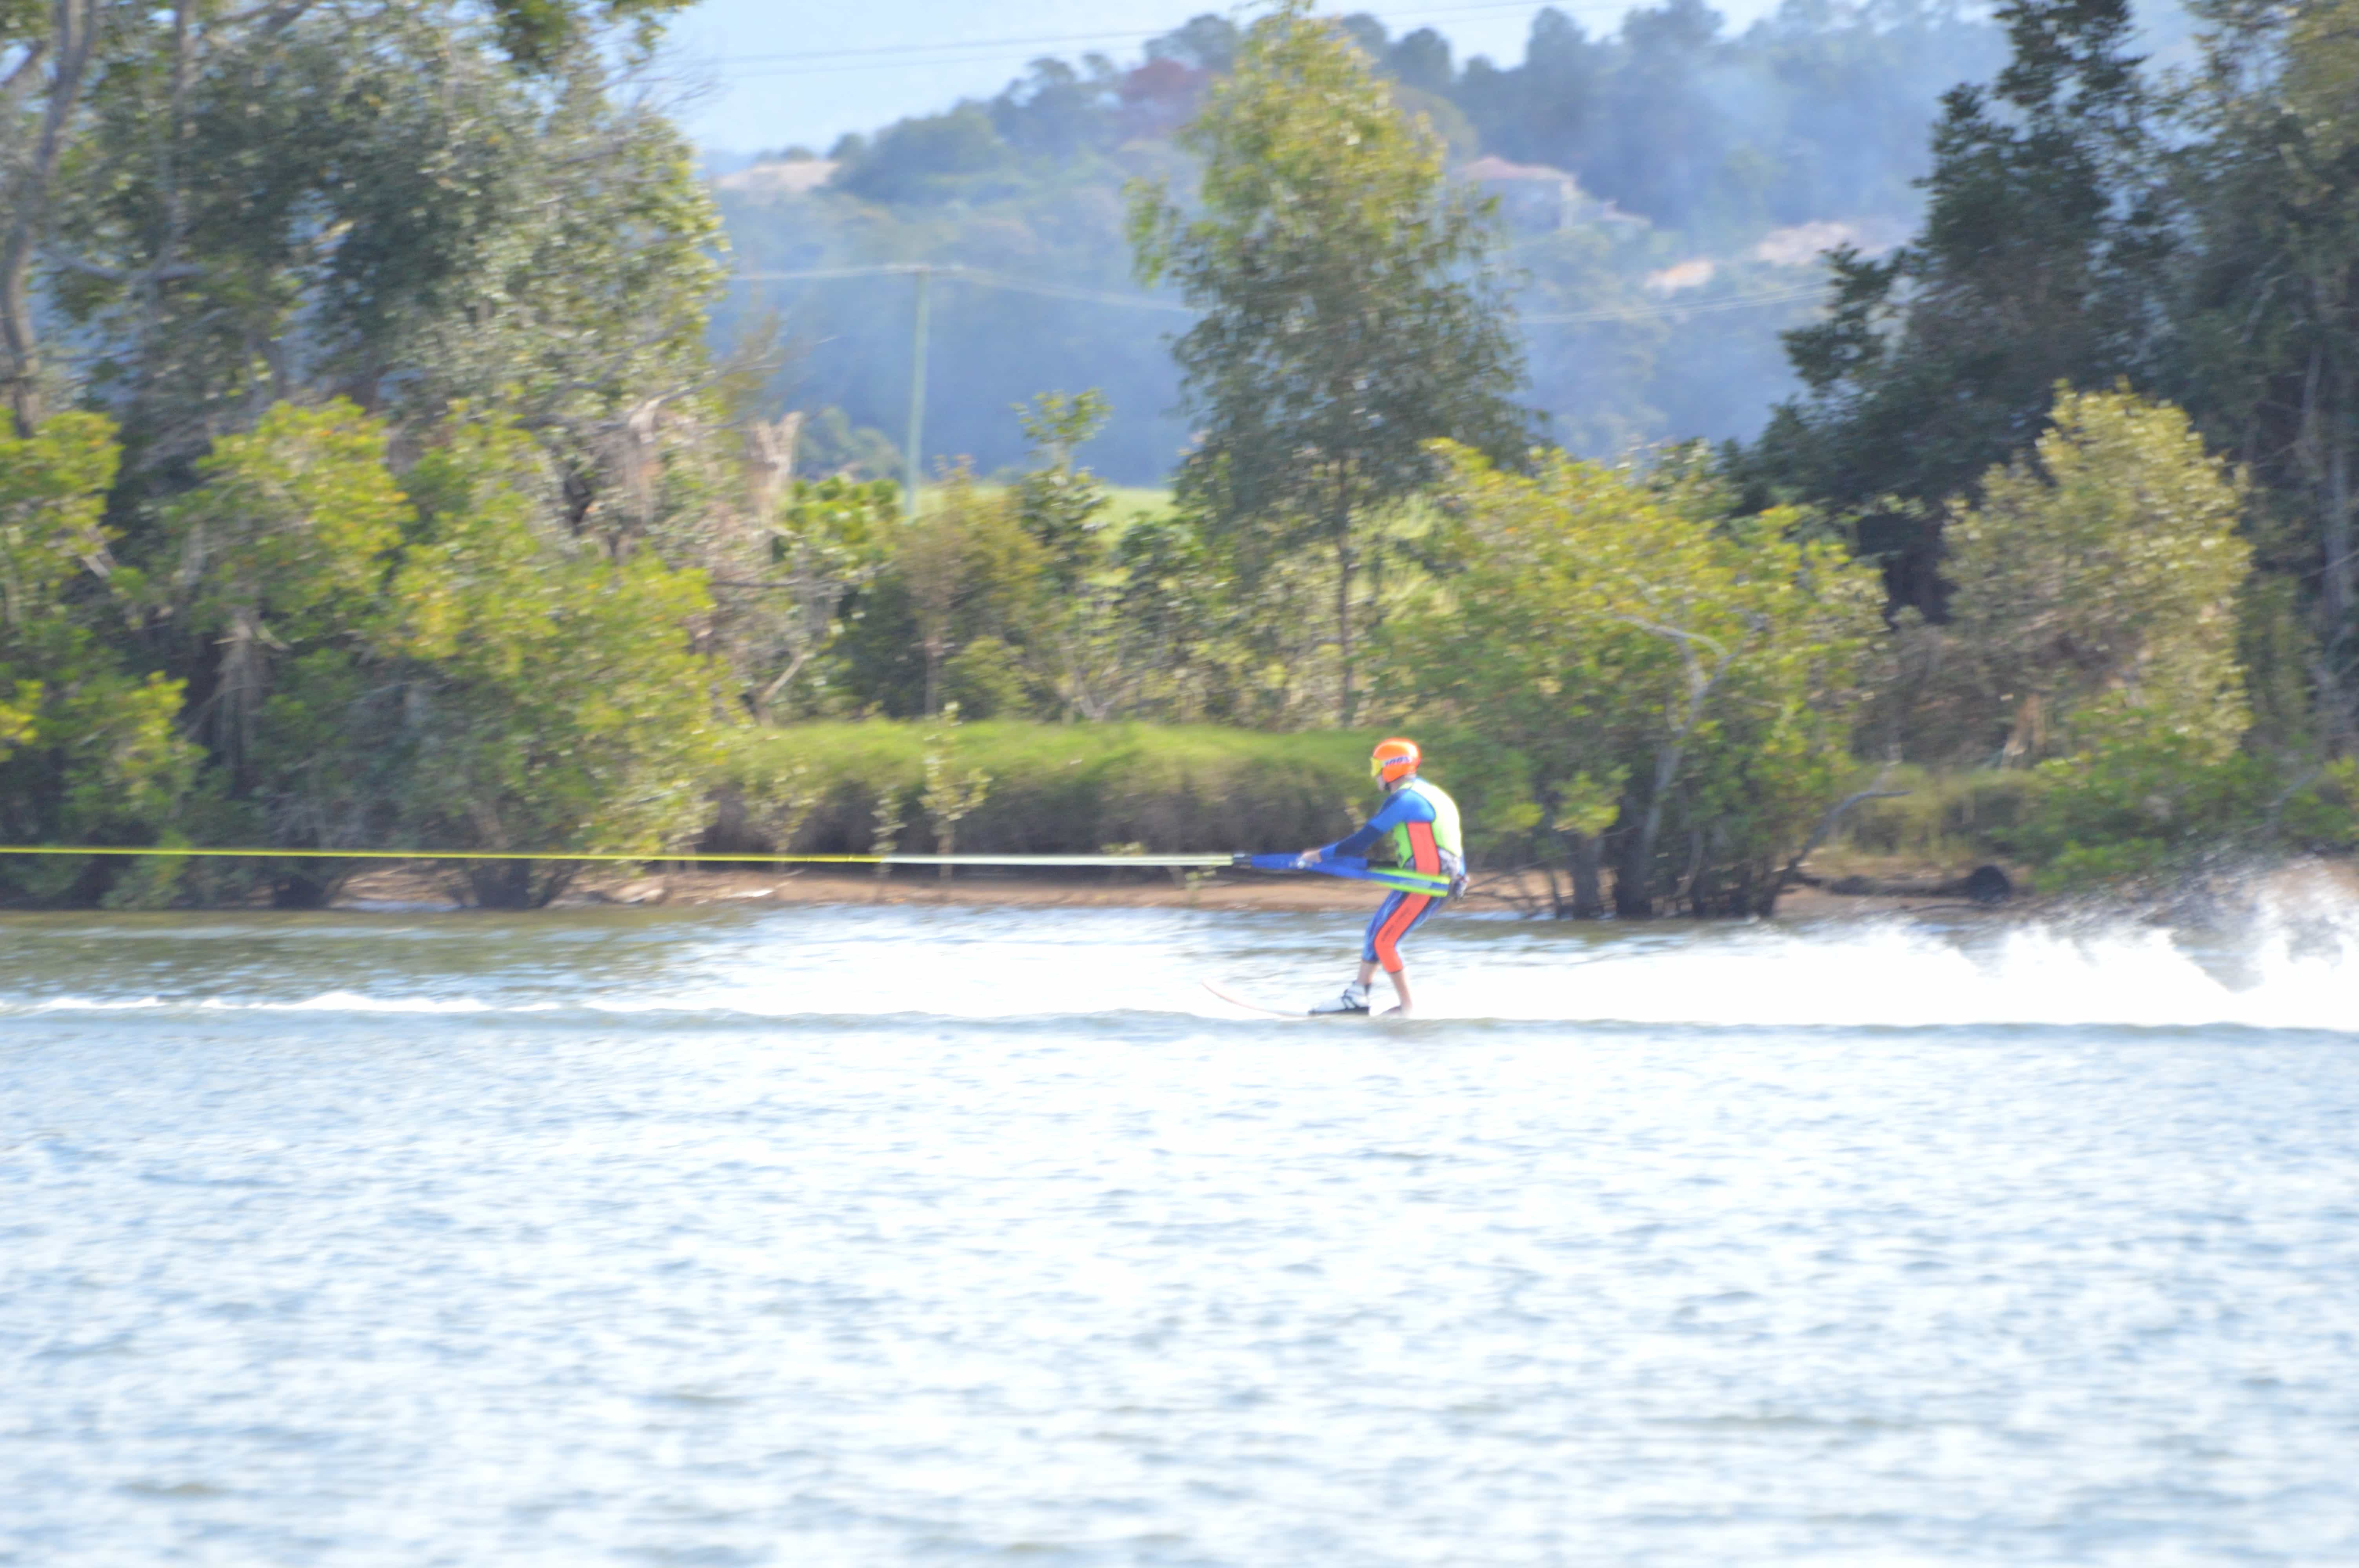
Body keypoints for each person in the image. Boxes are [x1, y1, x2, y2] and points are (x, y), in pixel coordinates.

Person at [1300, 737, 1464, 1017]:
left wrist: (1319, 855)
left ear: (1391, 767)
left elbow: (1359, 843)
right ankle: (1357, 995)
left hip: (1428, 882)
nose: (1375, 773)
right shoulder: (1431, 792)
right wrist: (1462, 876)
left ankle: (1408, 1010)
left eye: (1377, 766)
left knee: (1384, 941)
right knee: (1376, 933)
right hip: (1426, 878)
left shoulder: (1405, 799)